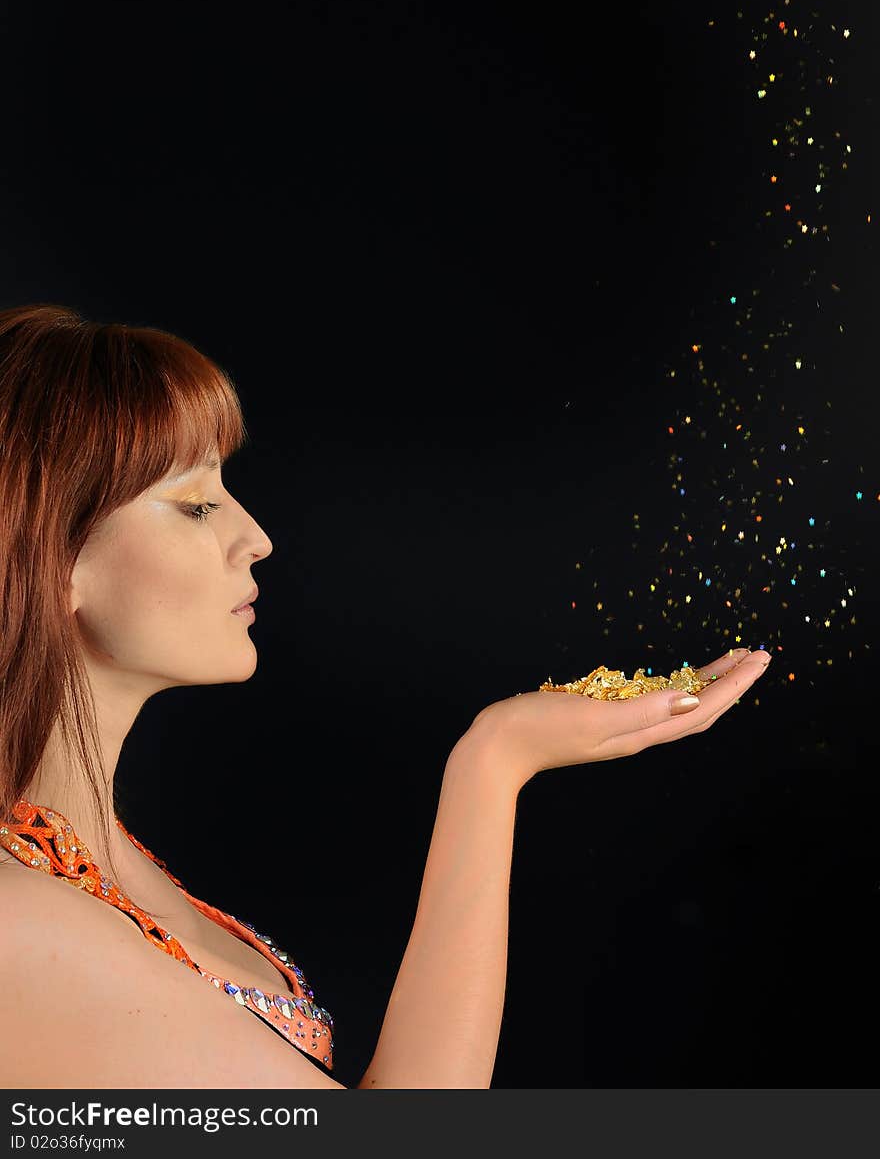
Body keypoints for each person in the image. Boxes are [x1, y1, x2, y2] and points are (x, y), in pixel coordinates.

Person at [0, 303, 772, 1089]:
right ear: (53, 554)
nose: (255, 536)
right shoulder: (20, 922)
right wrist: (496, 762)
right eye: (197, 504)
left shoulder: (84, 858)